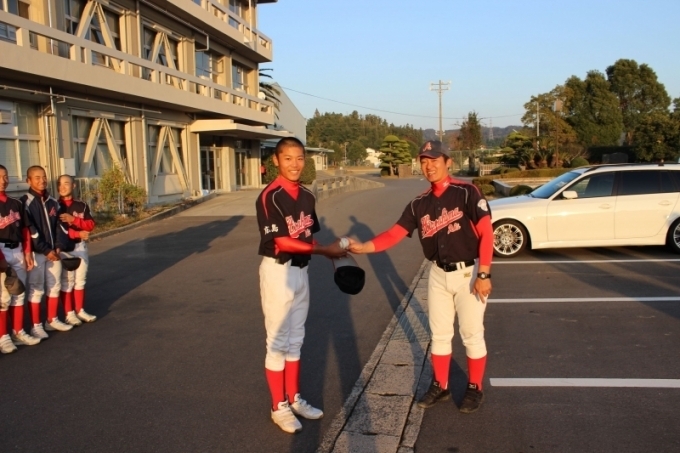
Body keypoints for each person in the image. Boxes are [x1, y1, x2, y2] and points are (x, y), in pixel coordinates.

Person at [348, 140, 493, 414]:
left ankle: (475, 387)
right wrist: (364, 247)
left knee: (472, 334)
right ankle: (441, 385)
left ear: (448, 162)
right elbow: (395, 233)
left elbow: (487, 232)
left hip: (469, 272)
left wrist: (484, 273)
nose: (428, 166)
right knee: (439, 334)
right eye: (424, 161)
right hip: (437, 273)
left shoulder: (466, 192)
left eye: (434, 160)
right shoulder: (419, 204)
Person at [256, 137, 347, 434]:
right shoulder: (270, 196)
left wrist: (332, 252)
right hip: (278, 272)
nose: (295, 164)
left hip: (301, 271)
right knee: (277, 341)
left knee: (296, 339)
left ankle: (293, 398)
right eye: (288, 158)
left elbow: (307, 236)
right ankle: (277, 406)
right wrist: (323, 251)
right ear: (276, 161)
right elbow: (282, 242)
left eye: (299, 158)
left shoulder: (307, 195)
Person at [22, 166, 71, 340]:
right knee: (36, 289)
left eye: (44, 177)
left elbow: (60, 226)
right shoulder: (24, 203)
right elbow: (30, 231)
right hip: (37, 253)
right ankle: (36, 326)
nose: (42, 180)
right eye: (37, 177)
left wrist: (58, 246)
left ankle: (52, 320)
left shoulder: (53, 202)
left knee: (54, 285)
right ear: (28, 180)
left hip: (54, 252)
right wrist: (45, 250)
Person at [0, 164, 40, 353]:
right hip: (1, 250)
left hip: (17, 250)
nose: (3, 181)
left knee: (19, 292)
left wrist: (27, 252)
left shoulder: (16, 203)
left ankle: (18, 331)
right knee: (3, 297)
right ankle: (3, 337)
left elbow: (25, 230)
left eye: (5, 176)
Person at [57, 175, 97, 325]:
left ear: (73, 186)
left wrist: (74, 220)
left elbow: (90, 225)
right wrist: (76, 233)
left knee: (80, 280)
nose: (62, 187)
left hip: (80, 246)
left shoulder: (81, 205)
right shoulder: (55, 205)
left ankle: (80, 310)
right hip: (64, 248)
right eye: (59, 184)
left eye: (66, 183)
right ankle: (69, 314)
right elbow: (57, 231)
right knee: (67, 282)